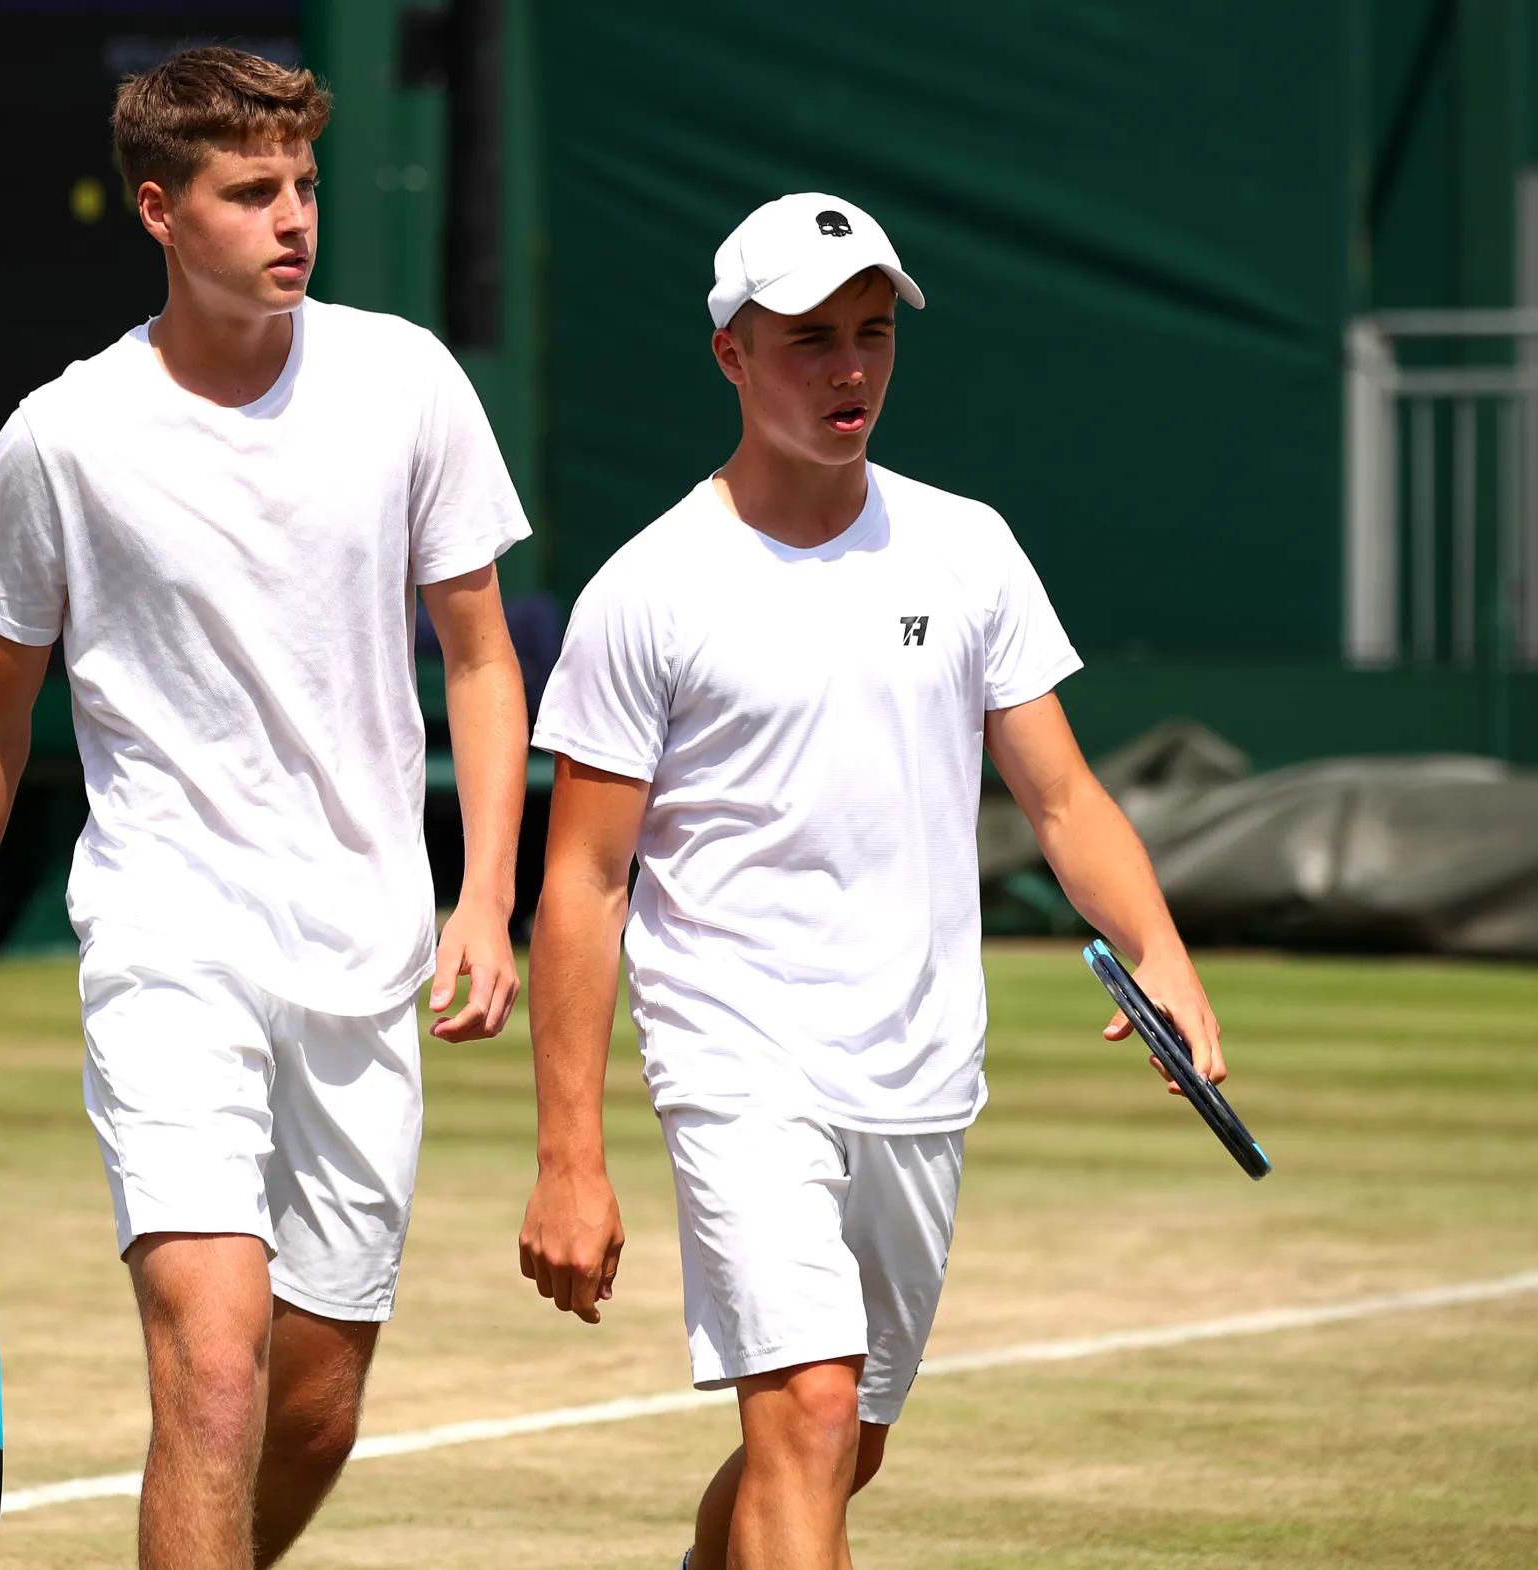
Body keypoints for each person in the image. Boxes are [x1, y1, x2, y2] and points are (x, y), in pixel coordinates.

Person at [516, 194, 1228, 1570]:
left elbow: (1063, 793)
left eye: (871, 334)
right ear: (731, 354)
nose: (851, 370)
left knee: (848, 1443)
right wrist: (569, 1159)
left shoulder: (968, 547)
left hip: (918, 1062)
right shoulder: (647, 589)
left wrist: (1164, 955)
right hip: (735, 1055)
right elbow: (585, 885)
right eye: (809, 341)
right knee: (808, 1407)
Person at [0, 48, 530, 1570]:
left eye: (305, 183)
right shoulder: (64, 435)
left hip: (365, 956)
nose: (294, 217)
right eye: (254, 192)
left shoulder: (407, 382)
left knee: (310, 1410)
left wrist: (485, 891)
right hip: (169, 941)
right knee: (217, 1367)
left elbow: (485, 659)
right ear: (161, 211)